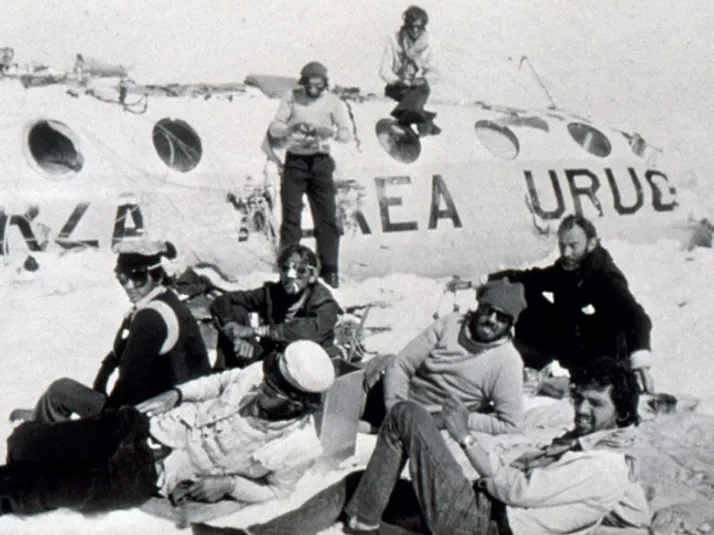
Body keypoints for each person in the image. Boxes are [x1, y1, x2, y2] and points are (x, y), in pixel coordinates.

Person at [192, 363, 651, 535]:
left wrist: (464, 436)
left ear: (623, 413)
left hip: (484, 523)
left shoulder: (605, 465)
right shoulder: (591, 449)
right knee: (361, 484)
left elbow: (517, 491)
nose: (582, 410)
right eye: (581, 399)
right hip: (479, 514)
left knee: (407, 416)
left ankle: (363, 526)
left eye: (596, 404)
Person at [0, 340, 336, 516]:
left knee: (59, 488)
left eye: (271, 392)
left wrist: (231, 484)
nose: (260, 389)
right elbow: (220, 382)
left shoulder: (301, 446)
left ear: (297, 403)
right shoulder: (261, 375)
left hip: (155, 472)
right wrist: (176, 394)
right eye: (265, 381)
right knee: (34, 443)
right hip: (146, 426)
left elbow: (278, 492)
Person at [9, 240, 212, 424]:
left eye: (138, 277)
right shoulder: (165, 300)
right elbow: (120, 353)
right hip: (179, 406)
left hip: (155, 417)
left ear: (156, 275)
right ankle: (44, 417)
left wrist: (105, 421)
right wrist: (102, 379)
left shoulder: (151, 317)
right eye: (122, 278)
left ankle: (41, 427)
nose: (129, 286)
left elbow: (129, 384)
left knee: (60, 390)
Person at [488, 214, 655, 393]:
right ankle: (534, 368)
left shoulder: (606, 276)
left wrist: (641, 365)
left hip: (602, 357)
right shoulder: (569, 267)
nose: (566, 252)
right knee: (525, 291)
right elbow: (534, 277)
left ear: (591, 244)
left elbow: (637, 317)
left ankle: (596, 380)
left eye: (573, 246)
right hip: (574, 344)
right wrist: (487, 279)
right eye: (562, 246)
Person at [361, 279, 527, 436]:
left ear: (510, 324)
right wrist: (395, 409)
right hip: (393, 402)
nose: (491, 319)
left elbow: (512, 424)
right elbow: (401, 365)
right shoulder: (451, 325)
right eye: (488, 309)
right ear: (478, 307)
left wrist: (457, 420)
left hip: (429, 425)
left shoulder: (507, 361)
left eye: (501, 317)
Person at [268, 61, 352, 289]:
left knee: (326, 218)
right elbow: (275, 127)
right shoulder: (291, 97)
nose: (314, 89)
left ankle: (330, 270)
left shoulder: (333, 101)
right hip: (295, 162)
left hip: (320, 162)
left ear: (325, 83)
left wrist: (330, 132)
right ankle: (289, 269)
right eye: (310, 85)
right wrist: (290, 128)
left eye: (318, 84)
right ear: (303, 83)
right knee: (291, 218)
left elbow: (346, 134)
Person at [209, 244, 341, 370]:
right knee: (236, 310)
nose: (291, 276)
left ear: (312, 276)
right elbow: (224, 300)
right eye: (285, 268)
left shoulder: (324, 302)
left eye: (301, 271)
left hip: (305, 365)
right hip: (272, 359)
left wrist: (256, 331)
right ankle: (225, 373)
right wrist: (233, 332)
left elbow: (308, 331)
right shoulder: (273, 293)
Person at [379, 5, 440, 136]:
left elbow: (434, 70)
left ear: (424, 26)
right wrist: (398, 81)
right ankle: (424, 121)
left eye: (419, 27)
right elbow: (384, 69)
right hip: (399, 86)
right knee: (406, 97)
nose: (415, 30)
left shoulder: (430, 43)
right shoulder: (394, 39)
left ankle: (404, 123)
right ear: (406, 25)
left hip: (419, 86)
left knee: (419, 91)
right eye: (411, 26)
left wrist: (423, 79)